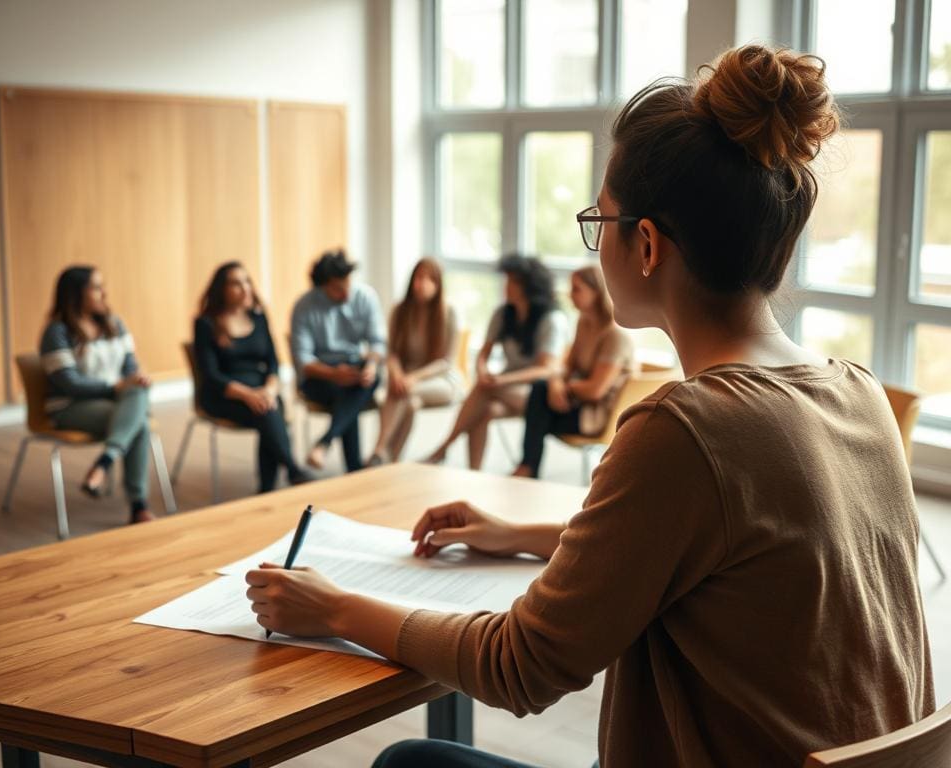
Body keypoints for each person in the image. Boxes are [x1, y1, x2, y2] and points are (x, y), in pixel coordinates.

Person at [245, 45, 934, 768]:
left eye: (598, 219)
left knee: (407, 763)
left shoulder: (686, 428)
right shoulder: (859, 391)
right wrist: (520, 534)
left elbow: (520, 666)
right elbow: (727, 547)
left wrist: (334, 609)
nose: (594, 240)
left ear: (645, 245)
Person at [424, 254, 568, 469]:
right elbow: (483, 354)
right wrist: (482, 371)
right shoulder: (503, 314)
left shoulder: (551, 320)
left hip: (536, 393)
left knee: (484, 391)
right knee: (484, 410)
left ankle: (443, 447)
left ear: (529, 285)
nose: (506, 287)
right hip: (504, 387)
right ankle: (474, 471)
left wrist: (502, 380)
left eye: (513, 282)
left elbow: (545, 370)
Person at [39, 266, 155, 524]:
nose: (104, 293)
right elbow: (69, 383)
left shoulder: (115, 324)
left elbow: (129, 366)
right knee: (140, 423)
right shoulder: (56, 332)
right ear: (75, 294)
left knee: (138, 392)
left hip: (115, 401)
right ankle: (139, 506)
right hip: (70, 406)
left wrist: (136, 378)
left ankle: (104, 461)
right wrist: (115, 387)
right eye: (96, 287)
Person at [193, 262, 309, 493]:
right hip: (223, 395)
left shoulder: (258, 316)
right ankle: (293, 471)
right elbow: (211, 376)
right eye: (236, 283)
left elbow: (273, 362)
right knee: (266, 412)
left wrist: (270, 388)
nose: (245, 288)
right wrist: (248, 395)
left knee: (267, 408)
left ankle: (270, 487)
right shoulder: (205, 324)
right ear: (221, 290)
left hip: (260, 389)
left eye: (247, 281)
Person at [513, 264, 633, 479]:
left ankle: (528, 467)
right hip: (578, 403)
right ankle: (528, 468)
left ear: (596, 292)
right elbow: (567, 367)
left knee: (537, 406)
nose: (570, 295)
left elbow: (596, 390)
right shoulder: (584, 323)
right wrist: (556, 384)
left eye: (577, 289)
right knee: (540, 392)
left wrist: (563, 387)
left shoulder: (615, 336)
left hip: (597, 414)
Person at [290, 249, 386, 473]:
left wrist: (371, 365)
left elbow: (378, 343)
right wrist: (334, 374)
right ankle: (353, 469)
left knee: (368, 380)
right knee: (348, 393)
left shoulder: (365, 297)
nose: (346, 293)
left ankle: (324, 443)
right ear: (321, 286)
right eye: (337, 288)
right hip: (320, 375)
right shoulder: (304, 307)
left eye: (347, 284)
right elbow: (303, 361)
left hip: (354, 368)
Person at [367, 258, 463, 466]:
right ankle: (390, 461)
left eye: (429, 279)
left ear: (438, 284)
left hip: (441, 379)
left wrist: (412, 378)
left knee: (404, 391)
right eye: (419, 277)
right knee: (409, 402)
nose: (423, 284)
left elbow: (446, 362)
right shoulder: (400, 311)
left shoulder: (449, 313)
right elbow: (391, 352)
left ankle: (379, 449)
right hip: (407, 379)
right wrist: (397, 373)